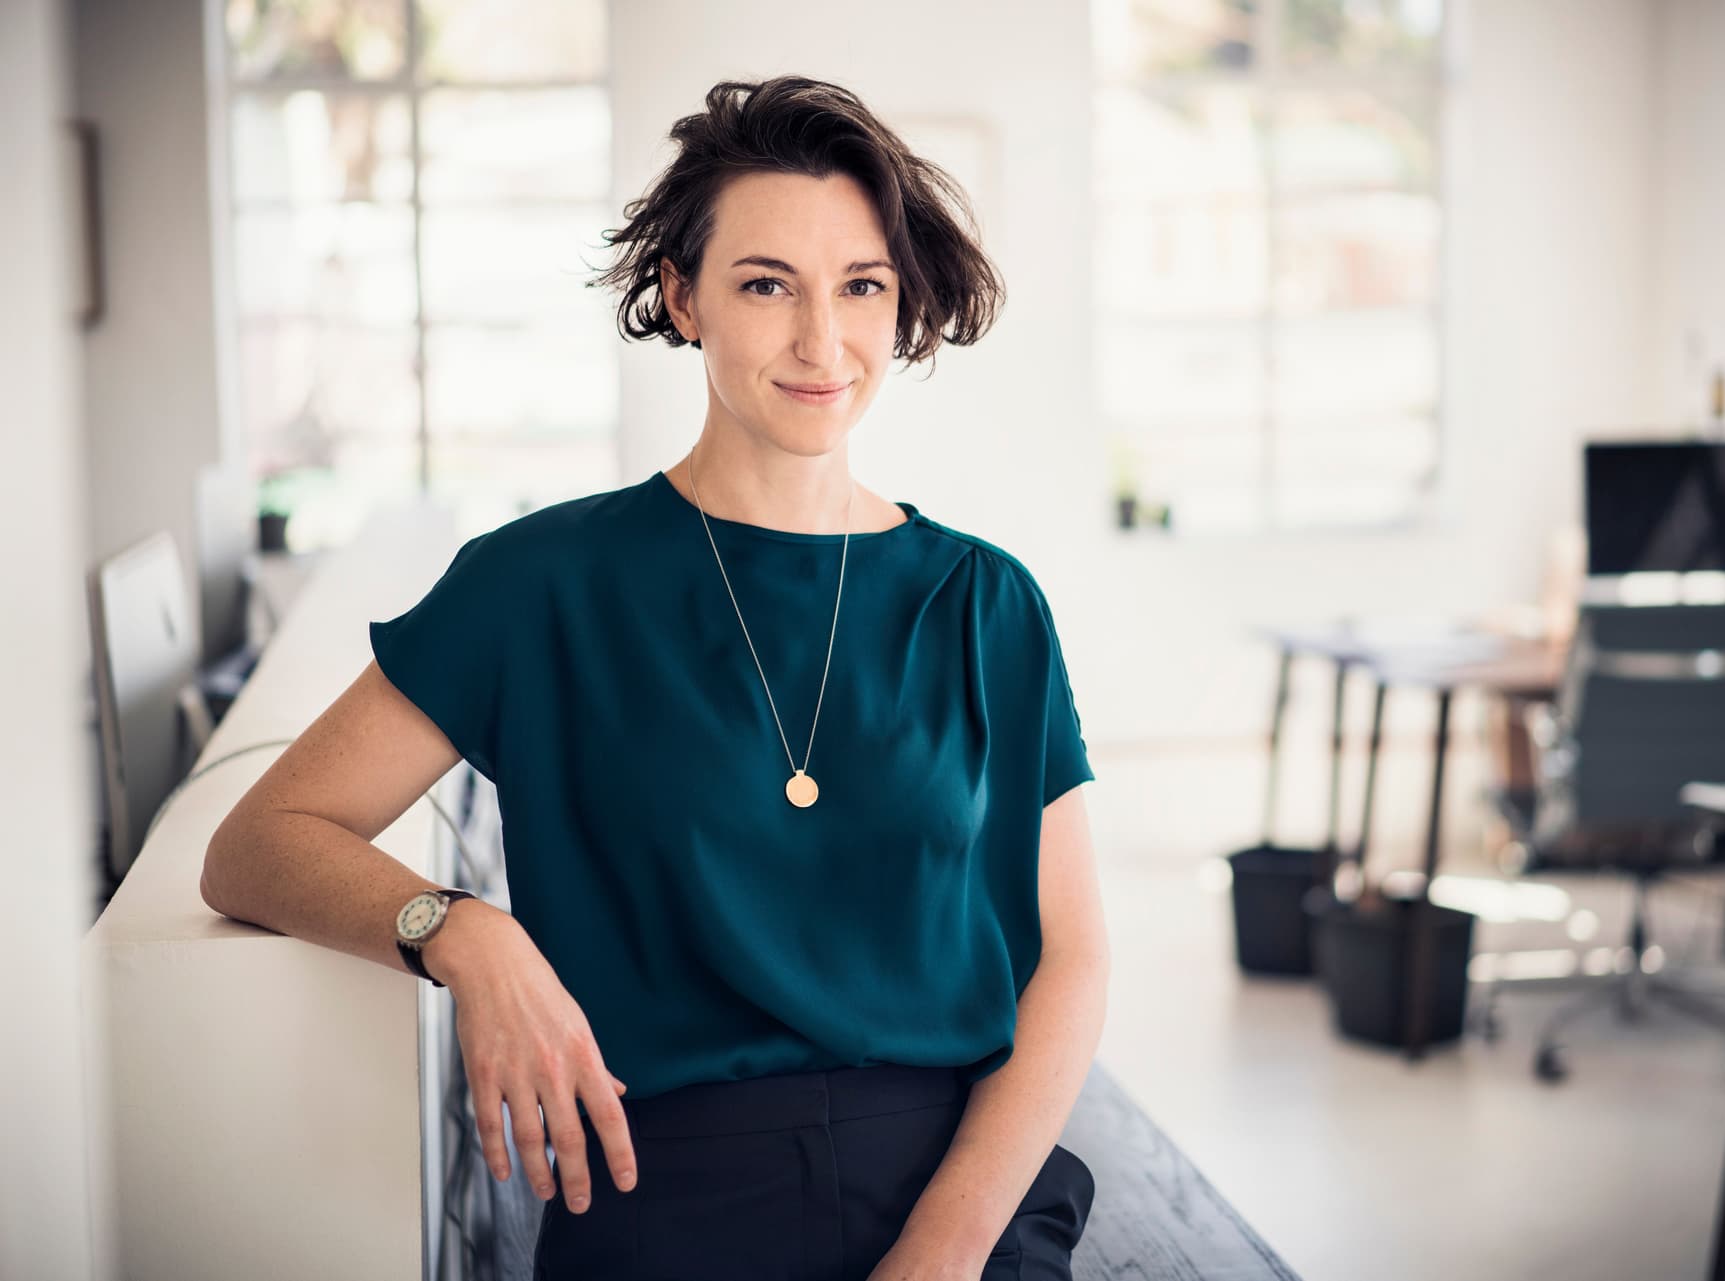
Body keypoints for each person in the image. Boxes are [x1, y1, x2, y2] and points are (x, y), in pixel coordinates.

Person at [201, 74, 1108, 1281]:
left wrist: (946, 1246)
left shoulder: (985, 602)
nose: (820, 342)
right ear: (681, 297)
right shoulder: (542, 584)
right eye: (765, 284)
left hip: (953, 1186)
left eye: (862, 287)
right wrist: (464, 935)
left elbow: (1073, 954)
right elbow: (256, 844)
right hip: (665, 1191)